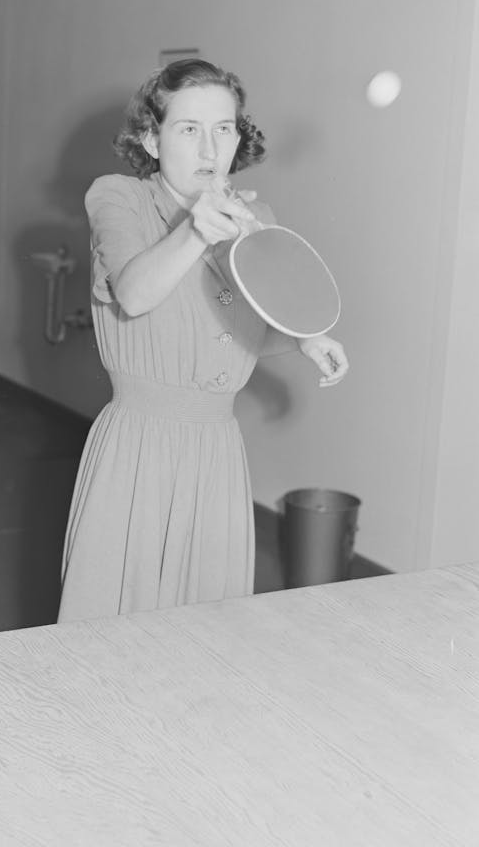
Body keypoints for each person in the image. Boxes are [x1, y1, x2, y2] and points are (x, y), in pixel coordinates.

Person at [57, 59, 348, 623]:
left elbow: (231, 337)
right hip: (138, 446)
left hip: (216, 451)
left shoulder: (253, 216)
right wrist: (196, 230)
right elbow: (136, 296)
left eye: (224, 128)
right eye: (188, 129)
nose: (210, 148)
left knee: (207, 628)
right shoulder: (118, 198)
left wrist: (304, 338)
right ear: (151, 137)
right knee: (113, 629)